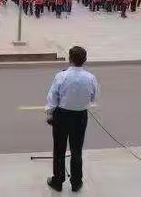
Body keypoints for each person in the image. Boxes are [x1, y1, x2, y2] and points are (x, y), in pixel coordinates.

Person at [46, 46, 98, 192]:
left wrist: (50, 114)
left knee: (59, 149)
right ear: (85, 60)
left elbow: (53, 97)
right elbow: (93, 97)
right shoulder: (90, 77)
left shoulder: (61, 76)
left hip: (62, 115)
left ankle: (58, 181)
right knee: (76, 150)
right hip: (80, 116)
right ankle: (76, 182)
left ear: (69, 59)